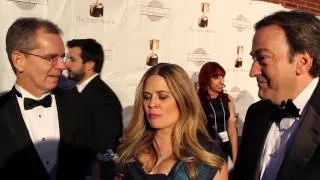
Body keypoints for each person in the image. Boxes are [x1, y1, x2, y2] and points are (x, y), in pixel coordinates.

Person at [0, 17, 93, 180]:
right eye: (50, 58)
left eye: (62, 57)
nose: (62, 66)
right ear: (19, 60)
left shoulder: (79, 106)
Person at [233, 10, 320, 180]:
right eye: (253, 59)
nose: (253, 72)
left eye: (263, 59)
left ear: (302, 62)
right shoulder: (256, 113)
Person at [115, 63, 228, 180]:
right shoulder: (130, 152)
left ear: (183, 100)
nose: (151, 104)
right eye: (147, 97)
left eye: (163, 96)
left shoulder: (208, 162)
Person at [65, 38, 123, 179]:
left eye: (72, 60)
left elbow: (103, 147)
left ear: (89, 65)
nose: (65, 64)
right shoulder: (72, 92)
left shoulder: (105, 99)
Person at [198, 62, 238, 164]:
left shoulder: (228, 99)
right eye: (216, 77)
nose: (221, 81)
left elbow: (232, 130)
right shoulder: (198, 101)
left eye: (222, 77)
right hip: (206, 150)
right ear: (206, 79)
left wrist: (235, 158)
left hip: (226, 146)